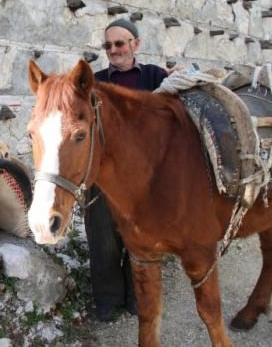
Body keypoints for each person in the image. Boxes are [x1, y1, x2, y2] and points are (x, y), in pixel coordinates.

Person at [86, 18, 168, 322]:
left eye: (119, 43)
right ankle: (107, 300)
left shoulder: (155, 76)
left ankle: (137, 296)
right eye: (108, 45)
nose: (113, 50)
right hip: (103, 175)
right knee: (103, 238)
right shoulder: (94, 81)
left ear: (135, 44)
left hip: (144, 178)